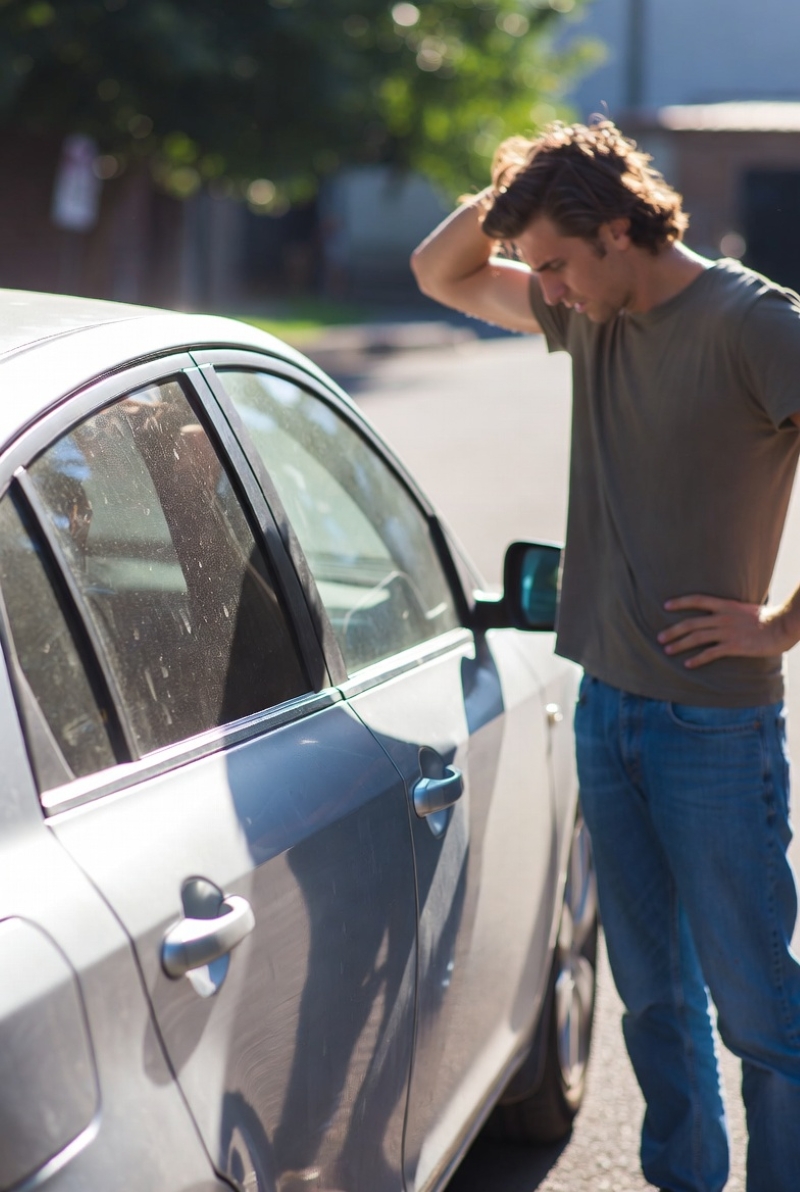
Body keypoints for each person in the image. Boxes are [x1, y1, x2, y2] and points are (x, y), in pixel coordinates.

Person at [410, 118, 800, 1192]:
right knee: (654, 1002)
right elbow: (435, 270)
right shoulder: (586, 309)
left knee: (760, 1010)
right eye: (533, 267)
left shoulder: (751, 323)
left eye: (551, 265)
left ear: (618, 231)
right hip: (607, 705)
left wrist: (775, 625)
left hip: (711, 723)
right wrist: (520, 176)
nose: (540, 287)